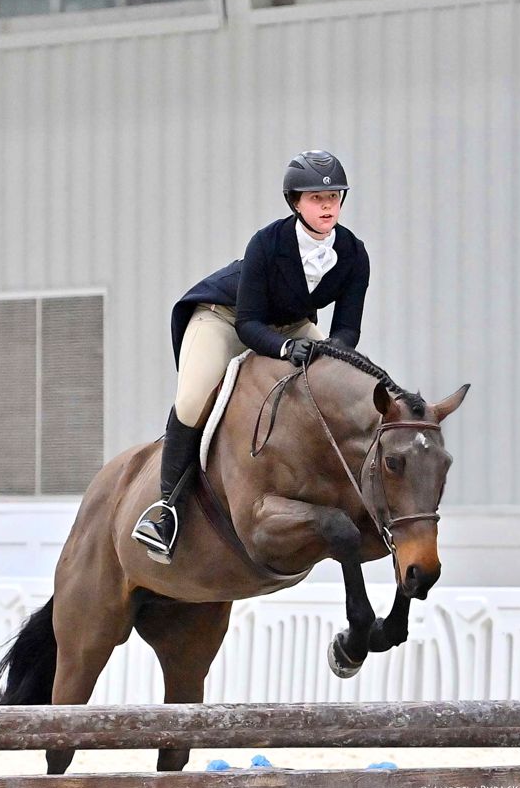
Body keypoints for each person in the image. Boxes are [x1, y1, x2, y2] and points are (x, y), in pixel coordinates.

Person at [131, 150, 371, 563]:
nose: (328, 204)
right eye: (316, 198)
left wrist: (330, 356)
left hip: (292, 323)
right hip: (226, 317)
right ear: (295, 202)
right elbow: (248, 324)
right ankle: (166, 509)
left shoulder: (353, 253)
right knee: (191, 401)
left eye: (334, 195)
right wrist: (283, 349)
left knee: (345, 380)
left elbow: (347, 330)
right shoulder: (266, 243)